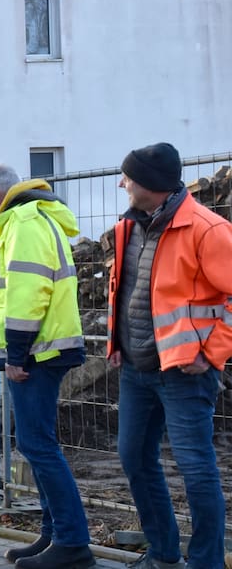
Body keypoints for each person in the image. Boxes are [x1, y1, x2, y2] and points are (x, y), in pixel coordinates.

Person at [0, 165, 94, 569]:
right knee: (34, 443)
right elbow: (0, 290)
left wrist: (15, 355)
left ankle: (73, 543)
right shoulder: (21, 222)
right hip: (40, 350)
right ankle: (54, 536)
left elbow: (28, 295)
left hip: (38, 353)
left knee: (38, 445)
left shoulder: (25, 223)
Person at [106, 143, 230, 569]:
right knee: (133, 459)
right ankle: (162, 555)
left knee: (195, 469)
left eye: (128, 178)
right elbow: (127, 294)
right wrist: (115, 344)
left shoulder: (206, 229)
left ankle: (207, 563)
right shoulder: (130, 226)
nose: (122, 184)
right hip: (136, 369)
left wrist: (212, 353)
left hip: (184, 373)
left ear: (152, 185)